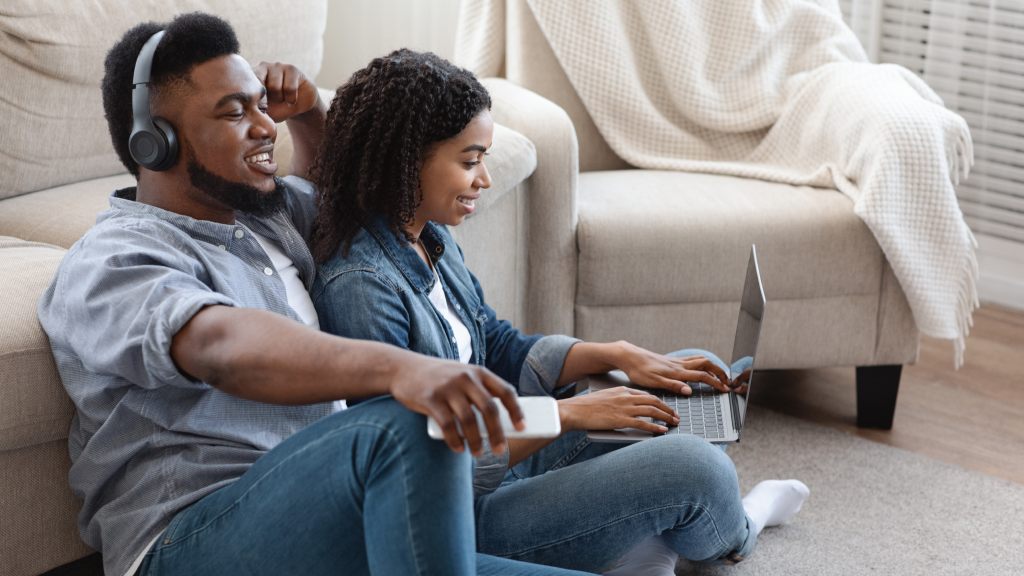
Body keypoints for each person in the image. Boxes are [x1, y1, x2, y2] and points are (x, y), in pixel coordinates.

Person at [37, 14, 595, 576]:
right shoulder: (114, 259)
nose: (263, 127)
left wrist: (307, 111)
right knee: (403, 426)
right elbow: (219, 345)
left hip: (322, 512)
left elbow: (352, 192)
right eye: (234, 112)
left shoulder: (267, 218)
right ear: (154, 142)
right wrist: (404, 370)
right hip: (189, 535)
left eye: (261, 105)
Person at [311, 49, 810, 575]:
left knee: (690, 379)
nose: (483, 179)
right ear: (405, 162)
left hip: (512, 460)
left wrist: (617, 356)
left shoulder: (426, 235)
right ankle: (740, 528)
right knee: (697, 468)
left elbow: (495, 343)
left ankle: (642, 548)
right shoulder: (362, 287)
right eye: (469, 160)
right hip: (464, 513)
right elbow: (418, 459)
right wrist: (569, 414)